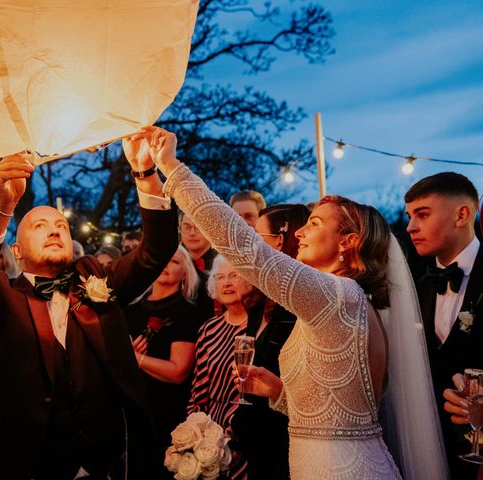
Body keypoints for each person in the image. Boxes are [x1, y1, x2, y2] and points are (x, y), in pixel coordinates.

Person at [141, 126, 448, 479]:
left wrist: (171, 167)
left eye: (314, 223)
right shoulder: (347, 300)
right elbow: (339, 411)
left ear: (348, 242)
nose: (300, 232)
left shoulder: (337, 296)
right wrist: (278, 390)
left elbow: (245, 249)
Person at [0, 137, 179, 479]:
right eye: (40, 226)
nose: (54, 231)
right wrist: (2, 207)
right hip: (23, 467)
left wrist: (144, 171)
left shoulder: (94, 276)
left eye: (61, 226)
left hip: (105, 465)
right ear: (17, 251)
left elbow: (156, 250)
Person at [405, 172, 483, 479]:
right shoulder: (416, 286)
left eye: (422, 214)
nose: (411, 226)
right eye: (409, 216)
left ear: (462, 214)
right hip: (427, 453)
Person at [229, 203, 309, 480]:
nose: (253, 244)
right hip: (256, 438)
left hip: (287, 439)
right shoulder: (259, 301)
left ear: (281, 241)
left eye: (258, 236)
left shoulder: (301, 303)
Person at [125, 245, 200, 476]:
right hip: (130, 411)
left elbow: (178, 371)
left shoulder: (188, 313)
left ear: (185, 273)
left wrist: (135, 358)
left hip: (167, 412)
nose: (167, 264)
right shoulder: (129, 309)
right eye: (163, 259)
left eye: (175, 261)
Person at [186, 254, 254, 479]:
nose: (226, 283)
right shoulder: (208, 329)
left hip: (247, 432)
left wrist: (237, 439)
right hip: (209, 432)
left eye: (234, 275)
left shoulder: (259, 328)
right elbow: (198, 391)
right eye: (220, 277)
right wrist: (194, 435)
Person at [180, 212, 219, 323]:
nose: (192, 233)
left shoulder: (223, 264)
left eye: (198, 227)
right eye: (187, 227)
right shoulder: (170, 262)